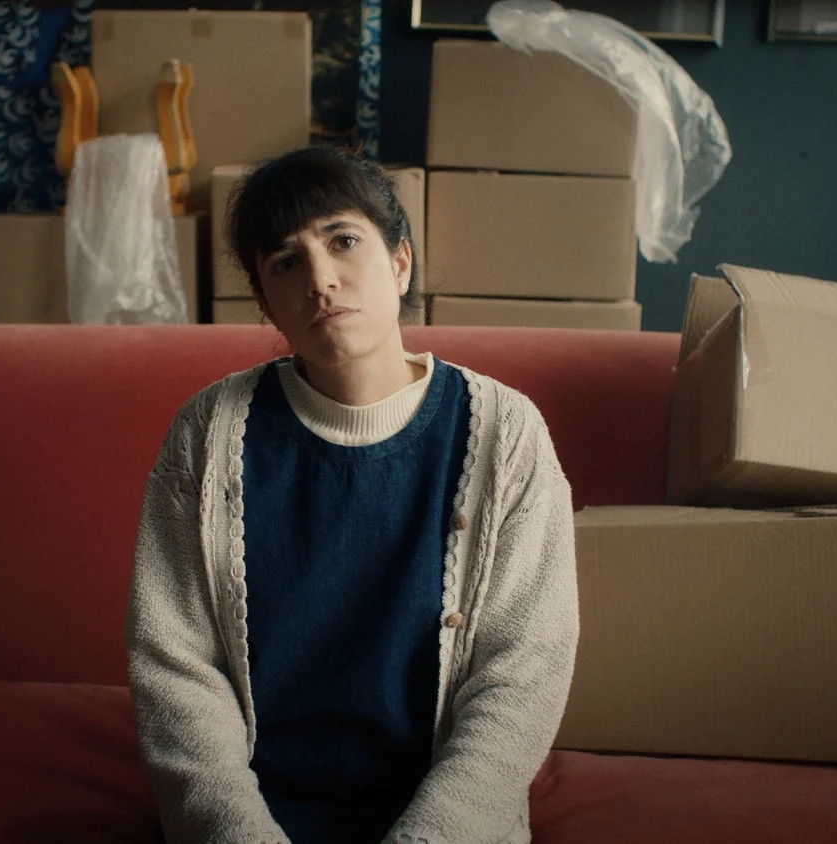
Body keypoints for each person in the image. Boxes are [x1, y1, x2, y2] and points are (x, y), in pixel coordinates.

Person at [126, 146, 578, 842]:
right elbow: (175, 665)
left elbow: (524, 670)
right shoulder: (206, 434)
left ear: (400, 262)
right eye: (286, 263)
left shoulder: (505, 432)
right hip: (249, 817)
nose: (320, 280)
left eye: (342, 241)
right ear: (265, 302)